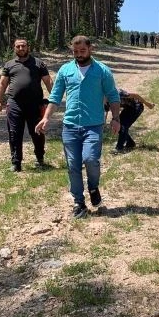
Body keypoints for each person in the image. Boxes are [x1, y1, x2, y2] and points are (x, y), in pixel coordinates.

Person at [35, 36, 121, 219]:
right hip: (70, 126)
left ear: (90, 49)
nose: (79, 55)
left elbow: (113, 96)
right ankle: (78, 202)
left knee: (91, 159)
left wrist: (116, 118)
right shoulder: (65, 70)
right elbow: (55, 97)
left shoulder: (102, 71)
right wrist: (46, 118)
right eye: (75, 52)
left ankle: (93, 187)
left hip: (94, 125)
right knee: (73, 165)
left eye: (82, 51)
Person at [0, 38, 53, 172]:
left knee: (37, 133)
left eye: (23, 46)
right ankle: (16, 163)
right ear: (14, 48)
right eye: (18, 46)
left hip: (35, 104)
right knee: (14, 133)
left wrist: (54, 100)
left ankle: (40, 158)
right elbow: (2, 84)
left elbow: (48, 82)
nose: (21, 49)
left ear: (28, 47)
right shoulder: (9, 65)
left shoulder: (38, 63)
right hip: (14, 104)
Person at [109, 88, 154, 153]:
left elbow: (136, 95)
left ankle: (119, 148)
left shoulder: (117, 94)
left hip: (137, 106)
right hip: (128, 107)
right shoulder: (103, 101)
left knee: (123, 126)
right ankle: (130, 143)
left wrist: (148, 104)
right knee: (119, 126)